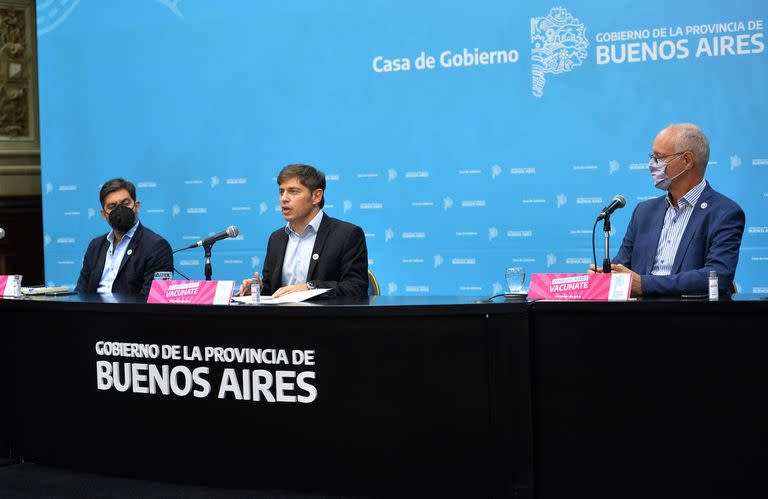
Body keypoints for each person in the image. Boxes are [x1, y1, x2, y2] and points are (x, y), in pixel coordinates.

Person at [590, 123, 745, 296]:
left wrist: (645, 285)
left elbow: (718, 276)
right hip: (636, 317)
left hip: (690, 317)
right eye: (651, 157)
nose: (651, 165)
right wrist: (606, 276)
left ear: (687, 161)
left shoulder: (724, 212)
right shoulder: (644, 211)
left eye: (658, 157)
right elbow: (623, 269)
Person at [237, 164, 368, 298]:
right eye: (281, 192)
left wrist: (310, 288)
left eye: (293, 191)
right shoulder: (276, 238)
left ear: (316, 196)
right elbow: (272, 291)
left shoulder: (347, 235)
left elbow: (356, 288)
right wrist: (258, 289)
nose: (284, 198)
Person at [76, 178, 173, 296]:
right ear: (104, 214)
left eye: (126, 203)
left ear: (137, 206)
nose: (120, 210)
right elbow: (80, 292)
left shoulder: (157, 247)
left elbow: (154, 299)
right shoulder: (95, 246)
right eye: (112, 206)